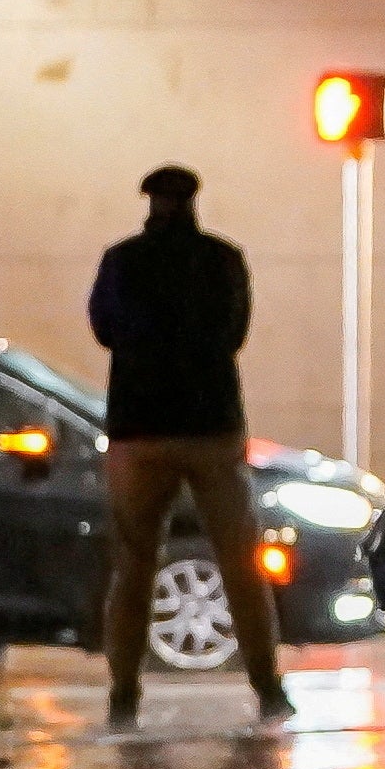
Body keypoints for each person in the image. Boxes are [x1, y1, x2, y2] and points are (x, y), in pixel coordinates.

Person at [88, 165, 290, 731]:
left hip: (139, 430)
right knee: (240, 563)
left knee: (133, 565)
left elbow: (103, 329)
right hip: (211, 428)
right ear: (194, 202)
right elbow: (235, 333)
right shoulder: (224, 260)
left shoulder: (121, 261)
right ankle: (268, 687)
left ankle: (124, 695)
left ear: (149, 201)